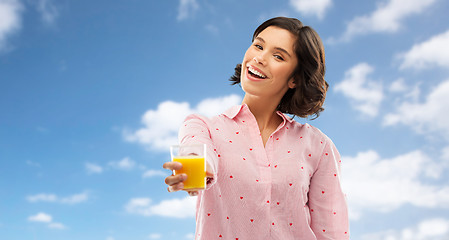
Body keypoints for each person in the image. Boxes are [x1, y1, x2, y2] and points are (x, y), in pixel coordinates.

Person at [163, 16, 349, 240]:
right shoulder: (203, 126)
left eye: (278, 56)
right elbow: (196, 148)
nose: (260, 58)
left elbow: (332, 232)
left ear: (295, 79)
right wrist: (197, 169)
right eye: (258, 46)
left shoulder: (318, 147)